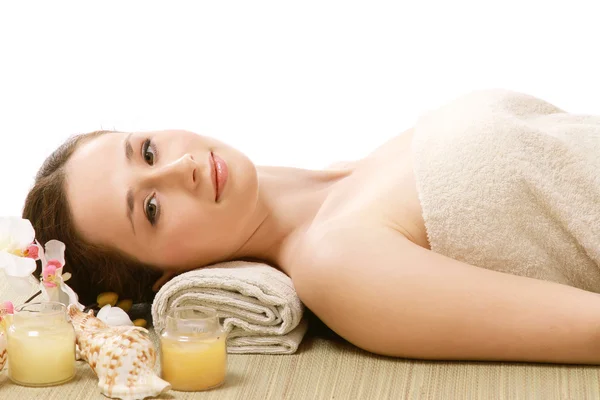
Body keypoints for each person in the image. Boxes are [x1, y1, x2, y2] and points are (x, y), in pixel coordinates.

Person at [22, 89, 600, 364]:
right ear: (166, 277)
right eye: (150, 209)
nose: (181, 168)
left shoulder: (343, 175)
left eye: (146, 150)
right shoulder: (338, 265)